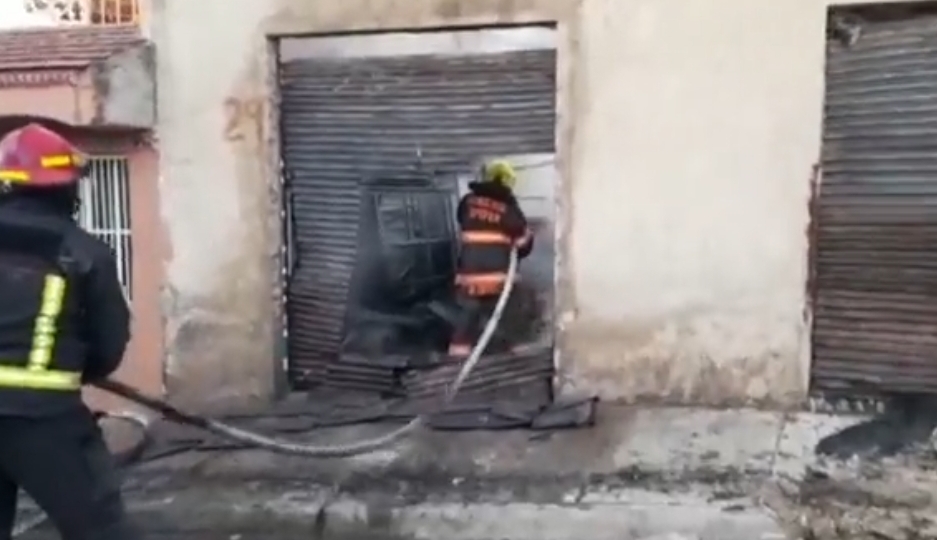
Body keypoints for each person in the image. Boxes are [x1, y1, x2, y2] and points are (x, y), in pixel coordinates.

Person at [0, 123, 137, 540]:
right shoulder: (83, 251)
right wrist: (72, 365)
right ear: (66, 189)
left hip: (39, 414)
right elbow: (108, 347)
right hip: (46, 421)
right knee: (101, 531)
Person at [448, 160, 534, 358]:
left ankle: (456, 360)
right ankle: (513, 356)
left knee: (465, 321)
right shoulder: (510, 210)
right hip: (498, 279)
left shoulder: (468, 202)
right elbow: (523, 245)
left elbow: (462, 220)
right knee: (510, 315)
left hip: (468, 278)